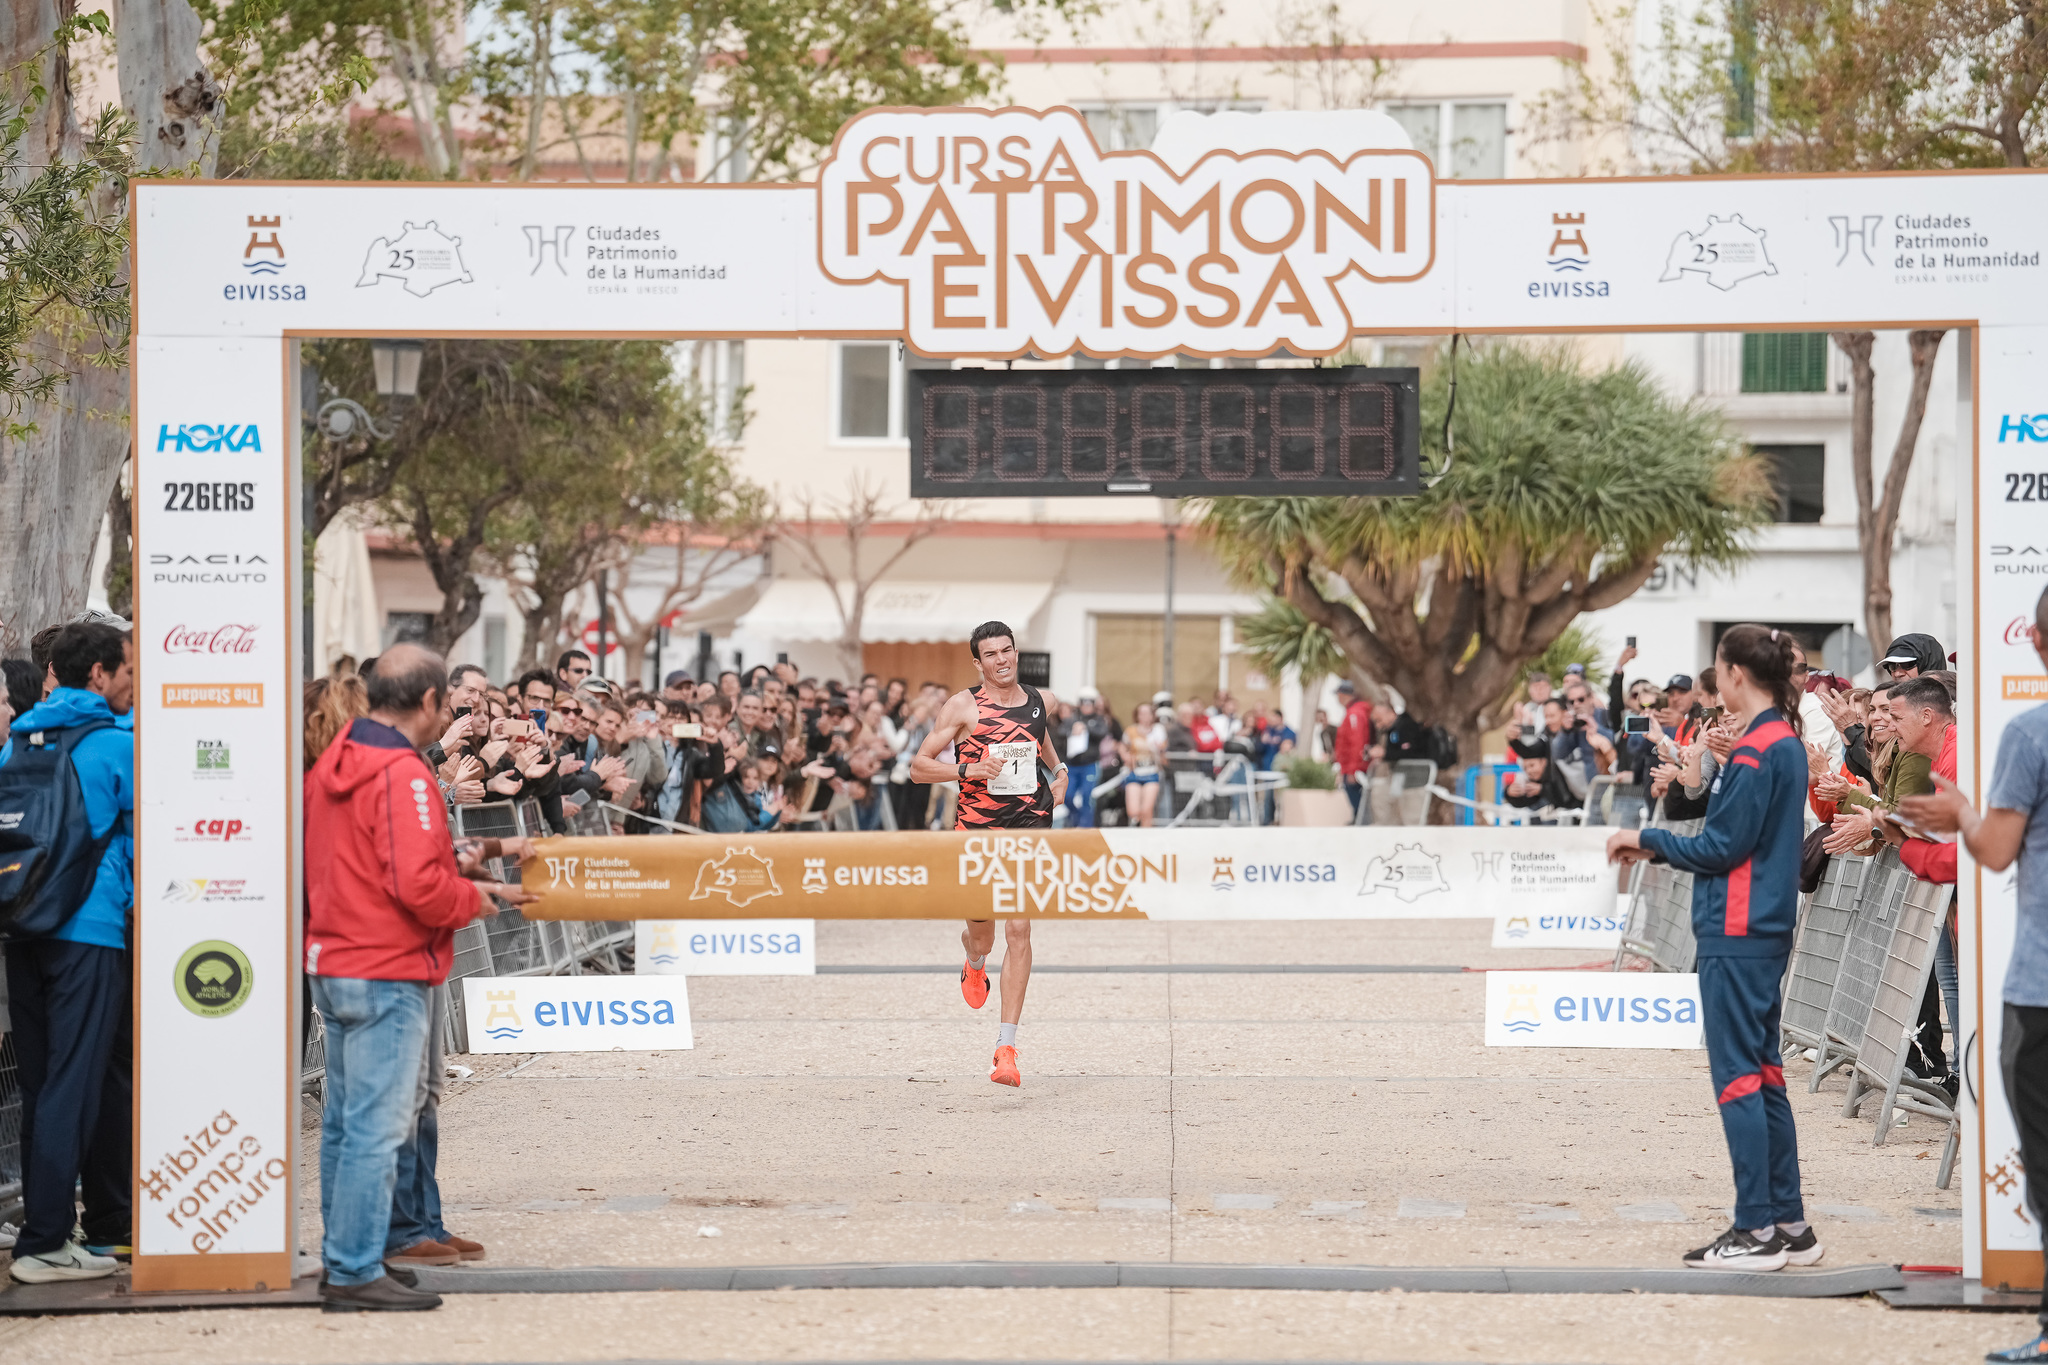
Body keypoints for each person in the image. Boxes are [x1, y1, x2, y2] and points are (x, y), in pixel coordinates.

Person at [304, 645, 533, 1311]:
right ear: (431, 701)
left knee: (347, 1125)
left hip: (337, 960)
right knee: (376, 1125)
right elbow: (421, 885)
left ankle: (350, 1252)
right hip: (388, 966)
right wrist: (480, 899)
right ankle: (352, 1269)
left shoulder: (334, 759)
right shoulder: (403, 774)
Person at [1606, 624, 1820, 1273]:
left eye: (1719, 668)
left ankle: (1756, 1226)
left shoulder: (1761, 748)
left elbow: (1722, 846)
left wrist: (1647, 837)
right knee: (1766, 1073)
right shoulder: (1774, 742)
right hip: (1758, 924)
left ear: (1733, 675)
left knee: (1740, 1077)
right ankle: (1787, 1221)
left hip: (1738, 925)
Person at [3, 622, 134, 1282]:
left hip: (22, 927)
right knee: (74, 1081)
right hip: (89, 928)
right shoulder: (116, 745)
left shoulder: (21, 739)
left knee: (38, 1083)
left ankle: (42, 1227)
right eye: (127, 671)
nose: (132, 682)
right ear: (100, 675)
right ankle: (46, 1239)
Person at [909, 622, 1068, 1088]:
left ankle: (1006, 1048)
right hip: (977, 833)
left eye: (1008, 651)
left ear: (1016, 652)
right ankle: (974, 961)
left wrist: (1059, 775)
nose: (1003, 660)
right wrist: (969, 768)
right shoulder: (962, 706)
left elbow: (1043, 746)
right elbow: (918, 768)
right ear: (978, 663)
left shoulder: (1042, 701)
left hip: (1029, 828)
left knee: (1019, 928)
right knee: (984, 934)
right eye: (992, 655)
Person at [1063, 687, 1118, 828]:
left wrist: (1085, 727)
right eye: (1083, 702)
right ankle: (1074, 818)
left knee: (1087, 796)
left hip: (1089, 765)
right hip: (1072, 765)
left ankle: (1086, 826)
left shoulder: (1099, 720)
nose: (1086, 706)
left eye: (1089, 703)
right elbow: (1060, 731)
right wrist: (1073, 729)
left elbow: (1101, 733)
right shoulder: (1072, 719)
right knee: (1067, 796)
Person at [1332, 681, 1373, 818]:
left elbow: (1357, 742)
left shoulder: (1355, 713)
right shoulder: (1352, 712)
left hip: (1354, 768)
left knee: (1358, 801)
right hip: (1348, 766)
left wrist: (1353, 770)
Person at [1124, 702, 1163, 827]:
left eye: (1147, 713)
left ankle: (1146, 838)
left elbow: (1163, 750)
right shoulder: (1131, 731)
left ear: (1152, 715)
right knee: (1133, 810)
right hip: (1135, 772)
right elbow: (1122, 747)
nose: (1144, 716)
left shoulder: (1158, 731)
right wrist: (1126, 756)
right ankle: (1137, 830)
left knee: (1147, 810)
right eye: (1141, 713)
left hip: (1151, 772)